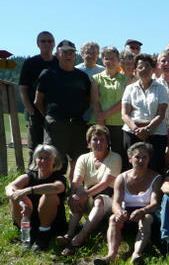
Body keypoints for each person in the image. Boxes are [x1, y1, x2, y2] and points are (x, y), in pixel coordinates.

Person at [94, 142, 162, 265]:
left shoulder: (156, 178)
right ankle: (111, 256)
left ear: (149, 159)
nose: (140, 160)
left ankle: (136, 255)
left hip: (147, 215)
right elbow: (116, 202)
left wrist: (143, 210)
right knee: (113, 218)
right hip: (127, 215)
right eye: (137, 157)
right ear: (130, 159)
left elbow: (155, 203)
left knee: (146, 219)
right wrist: (119, 212)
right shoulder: (122, 178)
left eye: (144, 157)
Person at [58, 126, 121, 256]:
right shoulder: (83, 158)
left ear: (108, 142)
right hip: (88, 196)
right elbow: (76, 181)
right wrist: (73, 195)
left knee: (98, 200)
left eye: (102, 140)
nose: (99, 143)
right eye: (95, 140)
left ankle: (80, 237)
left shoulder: (115, 158)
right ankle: (69, 235)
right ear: (89, 143)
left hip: (109, 198)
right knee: (76, 195)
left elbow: (105, 182)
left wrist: (84, 194)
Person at [34, 40, 91, 178]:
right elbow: (38, 101)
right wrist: (50, 117)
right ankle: (51, 194)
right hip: (56, 124)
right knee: (51, 161)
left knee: (78, 163)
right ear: (57, 54)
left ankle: (74, 195)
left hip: (77, 124)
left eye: (71, 52)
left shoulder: (82, 77)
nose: (68, 55)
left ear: (75, 55)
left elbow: (88, 100)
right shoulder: (48, 74)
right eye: (64, 52)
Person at [5, 144, 67, 251]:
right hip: (29, 217)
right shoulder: (29, 176)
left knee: (49, 195)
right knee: (14, 196)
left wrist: (29, 190)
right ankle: (26, 235)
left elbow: (57, 187)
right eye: (40, 158)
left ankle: (43, 235)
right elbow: (9, 187)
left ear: (54, 160)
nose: (43, 161)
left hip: (52, 222)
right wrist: (22, 203)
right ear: (35, 160)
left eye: (47, 158)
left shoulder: (59, 178)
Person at [121, 54, 168, 173]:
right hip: (132, 133)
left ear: (152, 69)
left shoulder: (161, 88)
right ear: (135, 71)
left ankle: (155, 191)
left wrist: (147, 129)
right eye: (140, 67)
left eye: (147, 66)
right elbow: (125, 114)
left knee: (154, 168)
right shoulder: (130, 89)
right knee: (132, 169)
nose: (144, 70)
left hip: (156, 133)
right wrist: (136, 130)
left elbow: (161, 114)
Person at [19, 31, 58, 165]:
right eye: (43, 41)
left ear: (54, 44)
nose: (46, 44)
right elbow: (23, 89)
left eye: (49, 41)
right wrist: (31, 111)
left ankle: (54, 179)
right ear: (37, 44)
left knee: (54, 149)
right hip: (36, 114)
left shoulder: (59, 63)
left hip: (55, 114)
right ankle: (32, 177)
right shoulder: (30, 63)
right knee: (35, 148)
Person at [90, 46, 129, 161]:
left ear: (118, 60)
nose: (110, 62)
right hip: (100, 123)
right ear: (102, 60)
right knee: (99, 155)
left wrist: (104, 115)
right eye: (107, 58)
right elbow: (95, 101)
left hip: (119, 123)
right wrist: (102, 122)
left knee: (119, 156)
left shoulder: (125, 79)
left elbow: (125, 101)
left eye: (113, 58)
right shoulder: (96, 78)